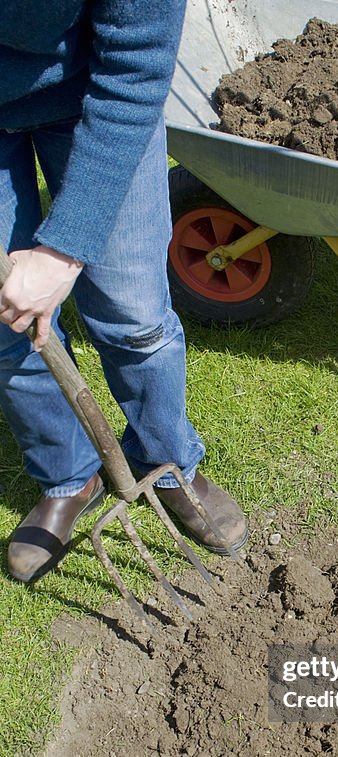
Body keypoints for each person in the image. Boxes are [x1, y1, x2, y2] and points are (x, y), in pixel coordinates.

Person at [0, 0, 247, 583]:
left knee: (135, 312)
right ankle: (70, 476)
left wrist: (63, 252)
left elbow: (135, 71)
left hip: (99, 94)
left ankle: (165, 462)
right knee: (5, 328)